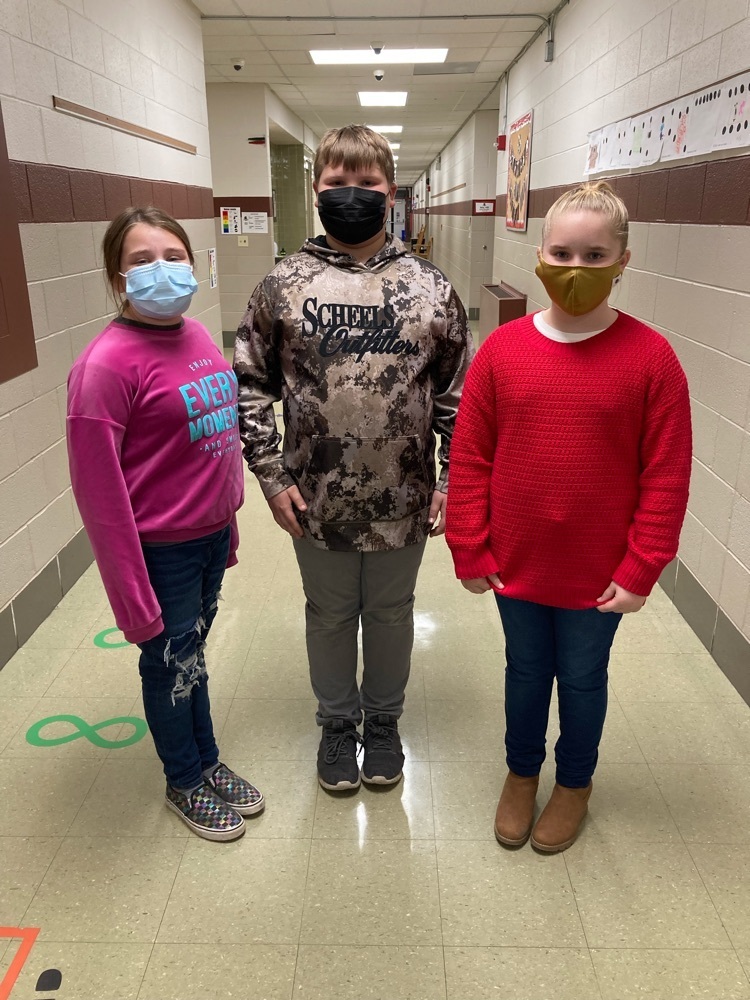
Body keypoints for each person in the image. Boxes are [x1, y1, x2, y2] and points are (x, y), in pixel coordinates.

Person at [445, 181, 692, 852]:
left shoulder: (651, 360)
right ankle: (522, 773)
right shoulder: (502, 351)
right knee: (525, 672)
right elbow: (469, 456)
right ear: (539, 253)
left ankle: (574, 783)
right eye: (562, 252)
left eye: (594, 254)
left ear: (623, 260)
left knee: (583, 677)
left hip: (599, 574)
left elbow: (665, 475)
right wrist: (469, 546)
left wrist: (643, 568)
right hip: (515, 565)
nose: (575, 269)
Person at [234, 125, 473, 791]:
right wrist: (271, 475)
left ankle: (383, 722)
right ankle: (338, 724)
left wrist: (452, 478)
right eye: (337, 182)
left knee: (393, 614)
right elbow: (250, 384)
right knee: (331, 613)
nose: (351, 194)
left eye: (366, 183)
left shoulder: (429, 287)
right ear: (316, 191)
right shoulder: (281, 285)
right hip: (315, 495)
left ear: (389, 192)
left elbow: (455, 392)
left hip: (404, 493)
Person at [67, 206, 264, 841]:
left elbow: (217, 442)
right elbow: (100, 500)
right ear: (116, 277)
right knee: (170, 664)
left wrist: (227, 527)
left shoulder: (198, 337)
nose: (162, 270)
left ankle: (206, 761)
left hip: (206, 542)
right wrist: (131, 595)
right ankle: (184, 779)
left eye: (174, 256)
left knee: (192, 659)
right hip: (161, 553)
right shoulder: (104, 367)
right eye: (142, 260)